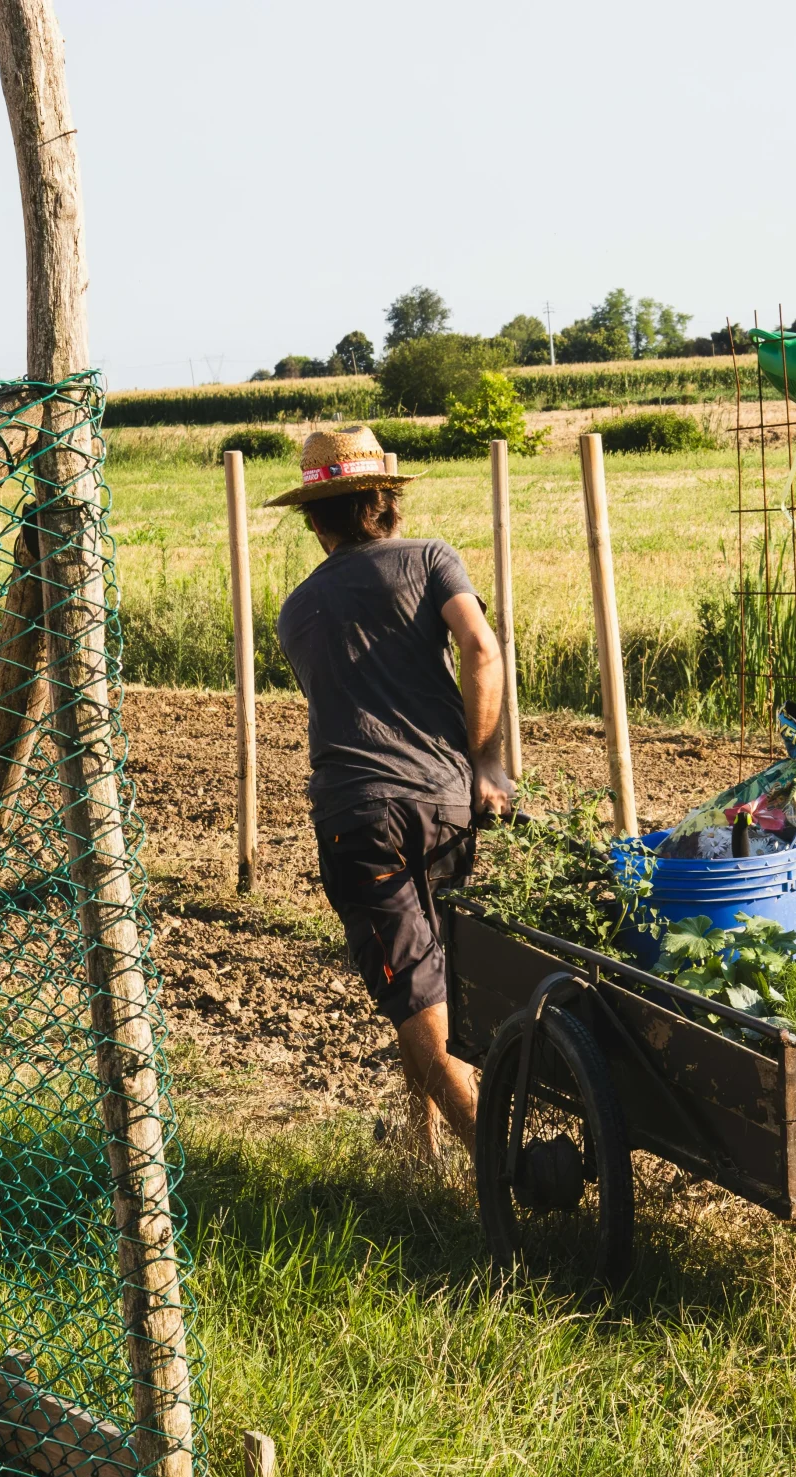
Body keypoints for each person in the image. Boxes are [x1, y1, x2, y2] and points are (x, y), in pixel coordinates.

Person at [266, 425, 514, 1168]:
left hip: (357, 821)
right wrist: (487, 764)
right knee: (430, 992)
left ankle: (508, 1187)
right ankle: (422, 1147)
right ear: (387, 501)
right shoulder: (433, 559)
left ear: (316, 521)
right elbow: (481, 648)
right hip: (446, 808)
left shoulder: (294, 612)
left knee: (417, 996)